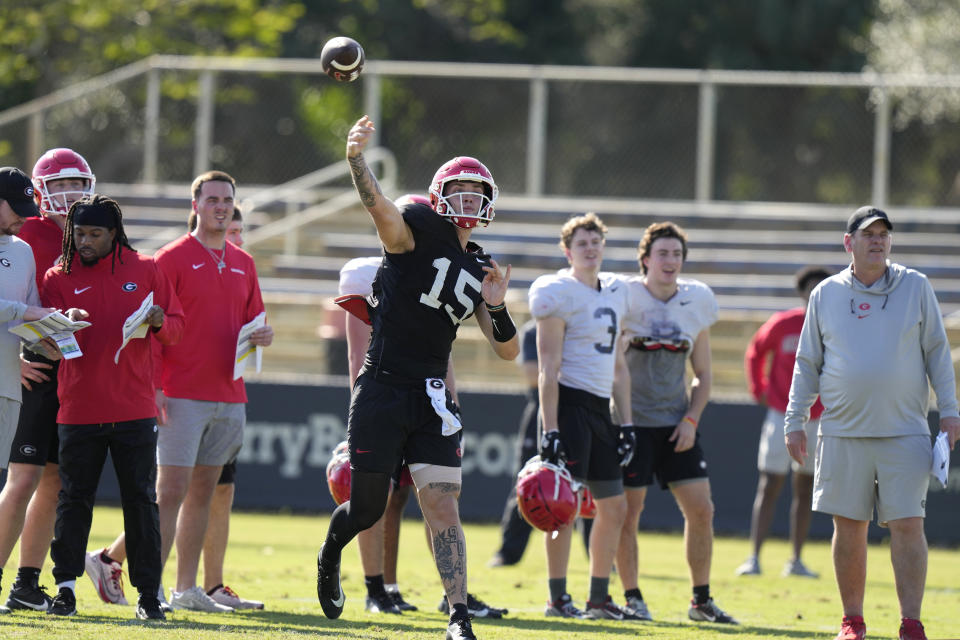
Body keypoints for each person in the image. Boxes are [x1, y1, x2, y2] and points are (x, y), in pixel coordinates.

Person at [316, 115, 519, 640]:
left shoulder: (480, 266)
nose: (470, 200)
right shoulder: (415, 227)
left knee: (442, 504)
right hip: (382, 386)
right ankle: (332, 550)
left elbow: (508, 350)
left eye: (478, 193)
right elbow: (378, 208)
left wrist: (496, 306)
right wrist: (357, 160)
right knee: (366, 509)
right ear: (439, 195)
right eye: (461, 190)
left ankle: (458, 616)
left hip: (431, 393)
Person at [785, 206, 960, 640]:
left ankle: (911, 622)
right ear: (849, 243)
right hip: (843, 431)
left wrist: (951, 409)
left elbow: (938, 351)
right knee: (848, 526)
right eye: (868, 234)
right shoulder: (826, 293)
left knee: (907, 525)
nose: (878, 240)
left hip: (905, 430)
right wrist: (795, 416)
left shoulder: (915, 286)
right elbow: (808, 361)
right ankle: (853, 620)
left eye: (884, 234)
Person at [85, 204, 264, 610]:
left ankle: (186, 588)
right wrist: (156, 386)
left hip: (228, 393)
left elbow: (253, 321)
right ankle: (153, 587)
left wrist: (261, 335)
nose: (228, 225)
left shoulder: (244, 263)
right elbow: (152, 327)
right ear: (196, 206)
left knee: (204, 491)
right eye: (216, 203)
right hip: (180, 391)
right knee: (168, 493)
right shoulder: (168, 258)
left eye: (235, 220)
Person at [41, 194, 184, 620]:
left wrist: (159, 320)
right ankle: (64, 588)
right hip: (78, 408)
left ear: (114, 234)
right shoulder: (57, 275)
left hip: (134, 409)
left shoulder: (146, 269)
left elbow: (175, 330)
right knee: (73, 500)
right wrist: (61, 322)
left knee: (141, 502)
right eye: (78, 233)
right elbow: (44, 343)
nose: (84, 241)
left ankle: (146, 596)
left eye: (94, 234)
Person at [614, 221, 737, 624]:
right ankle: (632, 597)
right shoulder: (624, 298)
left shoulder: (696, 300)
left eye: (677, 254)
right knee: (628, 513)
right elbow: (612, 365)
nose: (671, 261)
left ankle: (701, 600)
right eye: (663, 253)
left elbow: (703, 373)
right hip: (632, 423)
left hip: (675, 423)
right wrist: (626, 423)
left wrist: (690, 419)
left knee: (702, 509)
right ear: (645, 259)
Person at [530, 212, 640, 622]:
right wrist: (551, 427)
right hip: (570, 407)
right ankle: (557, 598)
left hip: (599, 411)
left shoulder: (616, 291)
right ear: (567, 251)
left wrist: (626, 423)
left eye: (596, 242)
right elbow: (548, 369)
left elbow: (619, 368)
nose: (591, 249)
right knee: (563, 506)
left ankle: (597, 598)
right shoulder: (556, 291)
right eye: (582, 244)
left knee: (614, 507)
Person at [0, 150, 95, 613]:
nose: (69, 194)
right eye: (59, 186)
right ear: (39, 192)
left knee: (53, 480)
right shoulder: (25, 235)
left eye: (76, 183)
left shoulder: (87, 236)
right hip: (31, 370)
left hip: (66, 370)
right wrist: (14, 357)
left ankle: (26, 581)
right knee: (21, 479)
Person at [735, 266, 831, 578]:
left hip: (818, 417)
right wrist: (757, 388)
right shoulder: (784, 323)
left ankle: (796, 560)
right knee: (769, 483)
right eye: (811, 288)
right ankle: (754, 557)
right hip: (780, 413)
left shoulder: (835, 327)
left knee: (805, 488)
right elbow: (755, 352)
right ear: (802, 292)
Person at [0, 166, 52, 615]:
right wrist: (26, 312)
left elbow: (27, 316)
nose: (22, 218)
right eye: (14, 209)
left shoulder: (23, 250)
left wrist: (53, 331)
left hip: (7, 387)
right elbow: (19, 308)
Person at [487, 319, 539, 568]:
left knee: (587, 486)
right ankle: (508, 552)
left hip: (577, 412)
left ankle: (602, 557)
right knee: (526, 484)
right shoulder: (533, 330)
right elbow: (533, 376)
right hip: (540, 413)